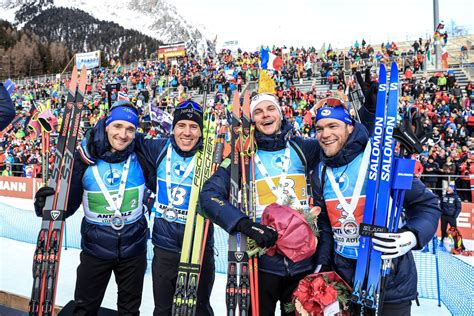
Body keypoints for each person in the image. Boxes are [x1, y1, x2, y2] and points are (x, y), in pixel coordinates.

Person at [199, 93, 335, 316]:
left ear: (280, 115)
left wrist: (368, 113)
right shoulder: (242, 157)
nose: (265, 115)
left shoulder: (302, 149)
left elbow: (338, 146)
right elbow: (208, 196)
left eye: (270, 109)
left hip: (303, 264)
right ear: (253, 121)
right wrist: (245, 225)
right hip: (263, 266)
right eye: (258, 112)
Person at [311, 100, 441, 315]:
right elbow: (326, 225)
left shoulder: (381, 161)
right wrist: (323, 267)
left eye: (333, 126)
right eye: (319, 128)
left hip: (390, 279)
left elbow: (426, 204)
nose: (325, 134)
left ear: (349, 127)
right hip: (345, 280)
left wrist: (412, 236)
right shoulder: (321, 172)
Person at [34, 101, 148, 315]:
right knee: (85, 308)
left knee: (130, 310)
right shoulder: (84, 157)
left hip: (134, 248)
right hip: (96, 248)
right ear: (106, 125)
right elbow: (68, 204)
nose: (123, 135)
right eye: (118, 126)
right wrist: (45, 205)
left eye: (130, 129)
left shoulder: (141, 153)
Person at [130, 100, 215, 316]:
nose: (187, 132)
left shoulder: (212, 156)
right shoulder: (158, 148)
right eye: (181, 125)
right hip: (164, 247)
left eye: (194, 126)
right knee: (163, 309)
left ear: (201, 130)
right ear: (173, 128)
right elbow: (129, 138)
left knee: (200, 309)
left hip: (199, 246)